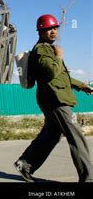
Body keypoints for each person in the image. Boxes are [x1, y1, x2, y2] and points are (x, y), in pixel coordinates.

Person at [14, 14, 93, 182]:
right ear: (41, 31)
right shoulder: (42, 49)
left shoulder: (49, 49)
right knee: (76, 135)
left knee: (51, 135)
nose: (53, 31)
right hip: (54, 99)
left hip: (51, 98)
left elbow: (61, 76)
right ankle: (88, 177)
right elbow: (51, 73)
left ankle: (25, 164)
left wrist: (82, 86)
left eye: (55, 28)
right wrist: (59, 57)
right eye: (49, 29)